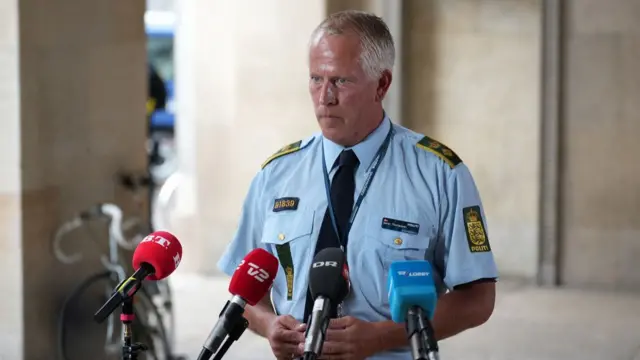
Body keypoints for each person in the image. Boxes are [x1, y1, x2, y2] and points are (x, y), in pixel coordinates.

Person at [217, 10, 498, 360]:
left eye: (341, 81)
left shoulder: (440, 174)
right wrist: (268, 324)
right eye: (315, 79)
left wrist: (382, 337)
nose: (325, 97)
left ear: (381, 84)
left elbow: (478, 299)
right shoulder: (276, 174)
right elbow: (245, 291)